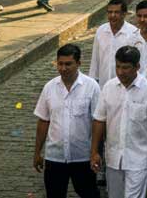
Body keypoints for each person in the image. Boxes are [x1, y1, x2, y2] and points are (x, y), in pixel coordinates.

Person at [91, 45, 147, 198]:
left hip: (138, 159)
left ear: (137, 66)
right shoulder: (108, 87)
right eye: (118, 66)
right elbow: (99, 120)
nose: (120, 72)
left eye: (125, 68)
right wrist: (94, 152)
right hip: (113, 158)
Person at [33, 44, 102, 198]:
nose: (63, 68)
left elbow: (97, 122)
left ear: (78, 63)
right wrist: (37, 152)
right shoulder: (49, 88)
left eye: (68, 64)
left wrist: (95, 151)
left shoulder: (92, 87)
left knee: (89, 193)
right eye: (60, 64)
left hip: (83, 157)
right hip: (55, 157)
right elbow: (43, 121)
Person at [90, 0, 144, 87]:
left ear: (124, 14)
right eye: (110, 12)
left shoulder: (134, 34)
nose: (112, 15)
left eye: (116, 12)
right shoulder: (101, 31)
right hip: (104, 85)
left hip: (126, 85)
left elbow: (140, 64)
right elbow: (95, 60)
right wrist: (93, 81)